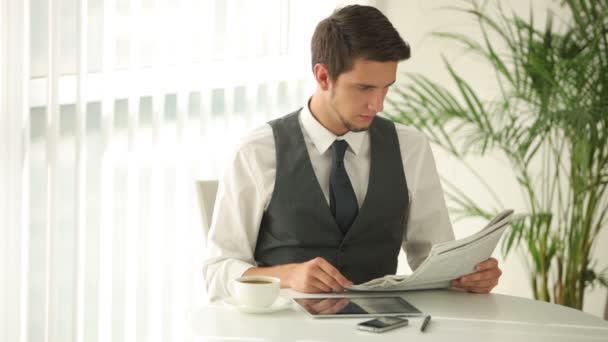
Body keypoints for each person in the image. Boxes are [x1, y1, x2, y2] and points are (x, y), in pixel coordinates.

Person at [202, 4, 502, 300]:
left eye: (386, 88)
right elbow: (218, 272)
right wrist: (288, 275)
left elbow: (433, 262)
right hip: (286, 329)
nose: (378, 105)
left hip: (385, 329)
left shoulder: (410, 148)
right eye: (365, 88)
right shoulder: (257, 151)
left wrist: (465, 278)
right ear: (323, 77)